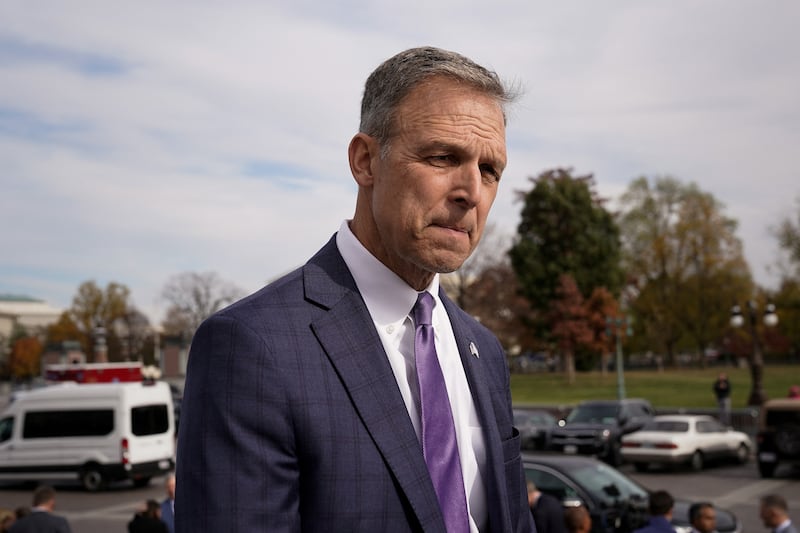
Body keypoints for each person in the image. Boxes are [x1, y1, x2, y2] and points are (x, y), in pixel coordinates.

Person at [175, 46, 533, 533]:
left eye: (490, 170)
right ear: (365, 161)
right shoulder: (252, 346)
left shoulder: (484, 351)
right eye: (443, 157)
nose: (471, 191)